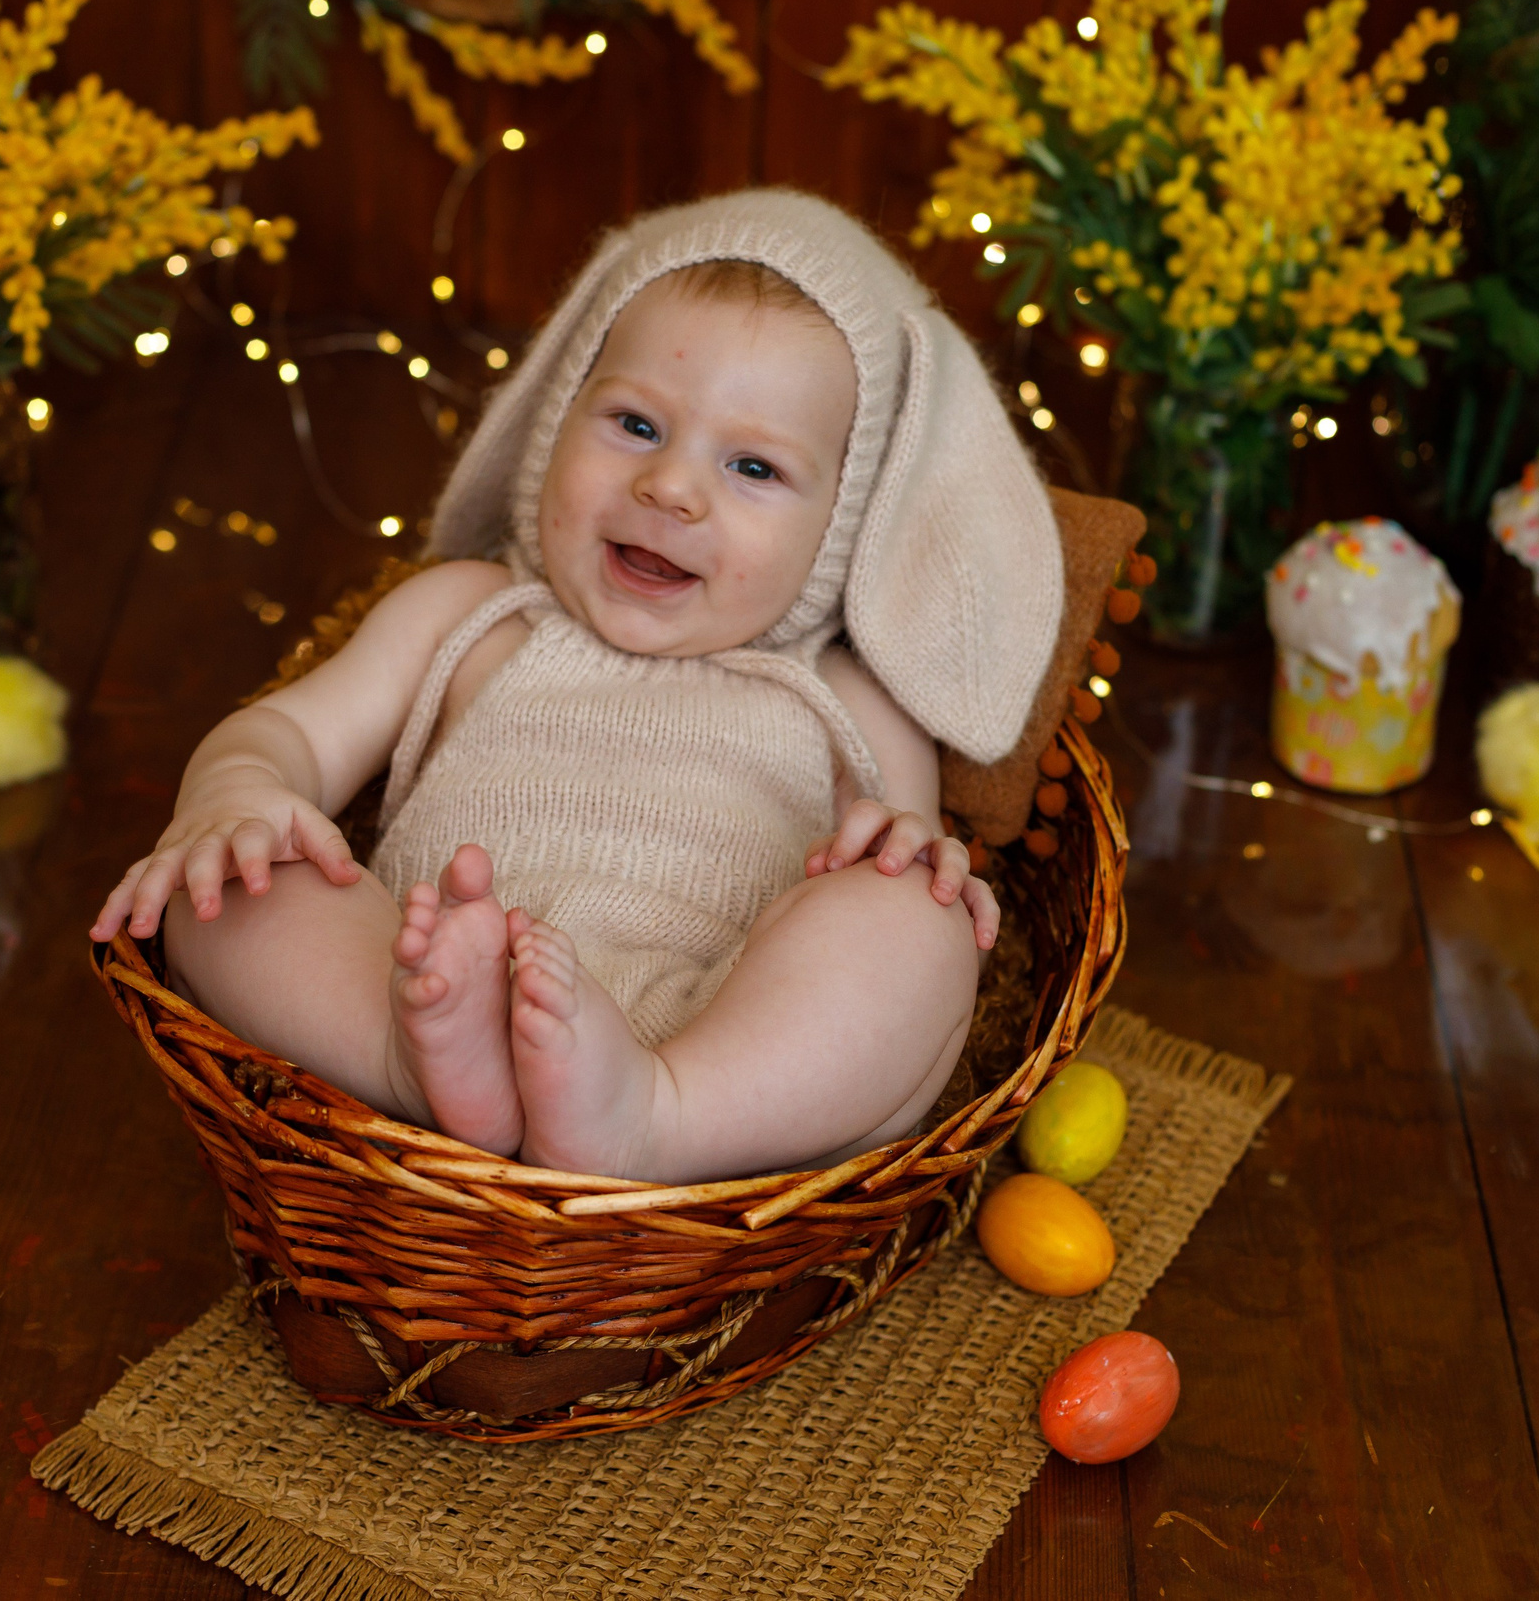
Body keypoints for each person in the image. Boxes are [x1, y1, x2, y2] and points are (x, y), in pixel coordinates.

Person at [90, 190, 1062, 1184]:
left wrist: (899, 842)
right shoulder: (470, 611)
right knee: (223, 884)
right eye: (636, 424)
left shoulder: (849, 696)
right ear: (557, 417)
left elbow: (902, 852)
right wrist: (236, 792)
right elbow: (287, 736)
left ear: (845, 520)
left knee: (920, 923)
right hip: (419, 989)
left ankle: (658, 1118)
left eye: (754, 467)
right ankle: (414, 1071)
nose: (670, 488)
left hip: (715, 1034)